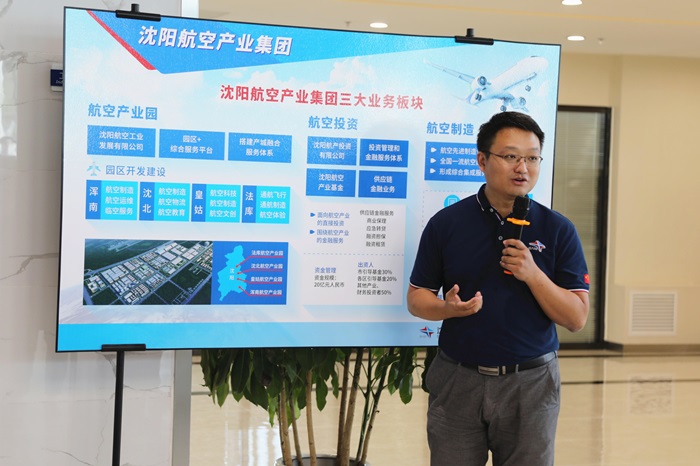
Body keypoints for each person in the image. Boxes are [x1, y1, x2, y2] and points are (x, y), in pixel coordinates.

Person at [407, 111, 590, 466]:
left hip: (531, 383)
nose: (523, 167)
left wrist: (533, 274)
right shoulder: (447, 223)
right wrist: (446, 309)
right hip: (458, 378)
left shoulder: (558, 229)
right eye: (510, 156)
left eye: (532, 158)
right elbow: (417, 298)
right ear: (482, 160)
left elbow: (576, 318)